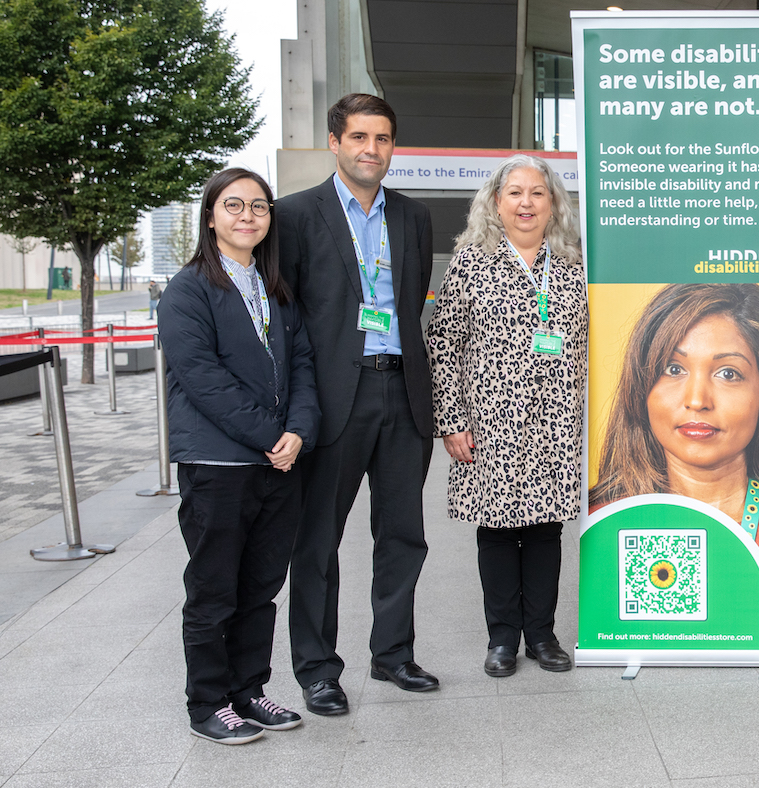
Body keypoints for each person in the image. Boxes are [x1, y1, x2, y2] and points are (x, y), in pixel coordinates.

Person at [278, 93, 439, 715]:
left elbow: (408, 305)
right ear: (335, 142)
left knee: (403, 534)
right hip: (330, 397)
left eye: (383, 139)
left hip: (402, 392)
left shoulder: (413, 216)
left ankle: (393, 653)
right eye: (359, 138)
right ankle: (318, 670)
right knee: (317, 540)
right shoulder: (295, 215)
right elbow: (288, 318)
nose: (372, 149)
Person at [159, 167, 319, 744]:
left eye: (258, 205)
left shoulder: (275, 289)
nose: (247, 215)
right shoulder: (187, 289)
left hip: (277, 464)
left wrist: (298, 430)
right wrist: (270, 437)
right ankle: (207, 703)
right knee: (214, 589)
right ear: (210, 217)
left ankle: (248, 691)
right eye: (234, 205)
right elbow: (202, 378)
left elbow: (302, 364)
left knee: (260, 587)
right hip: (218, 465)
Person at [426, 154, 587, 678]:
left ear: (553, 203)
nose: (526, 203)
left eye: (537, 193)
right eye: (515, 192)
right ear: (496, 202)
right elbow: (444, 344)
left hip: (555, 422)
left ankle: (541, 634)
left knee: (545, 530)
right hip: (489, 424)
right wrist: (451, 420)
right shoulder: (471, 262)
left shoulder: (571, 267)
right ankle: (502, 639)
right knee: (496, 531)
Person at [591, 283, 759, 641]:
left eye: (728, 373)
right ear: (641, 386)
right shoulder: (600, 521)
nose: (697, 400)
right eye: (673, 368)